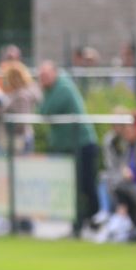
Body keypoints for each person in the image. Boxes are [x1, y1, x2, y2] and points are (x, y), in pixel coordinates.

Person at [37, 60, 98, 237]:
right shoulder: (51, 90)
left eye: (46, 75)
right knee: (74, 187)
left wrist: (42, 92)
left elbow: (45, 110)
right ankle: (79, 224)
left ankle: (93, 220)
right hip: (68, 146)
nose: (42, 79)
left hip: (82, 145)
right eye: (41, 75)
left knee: (86, 186)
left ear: (55, 73)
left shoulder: (63, 88)